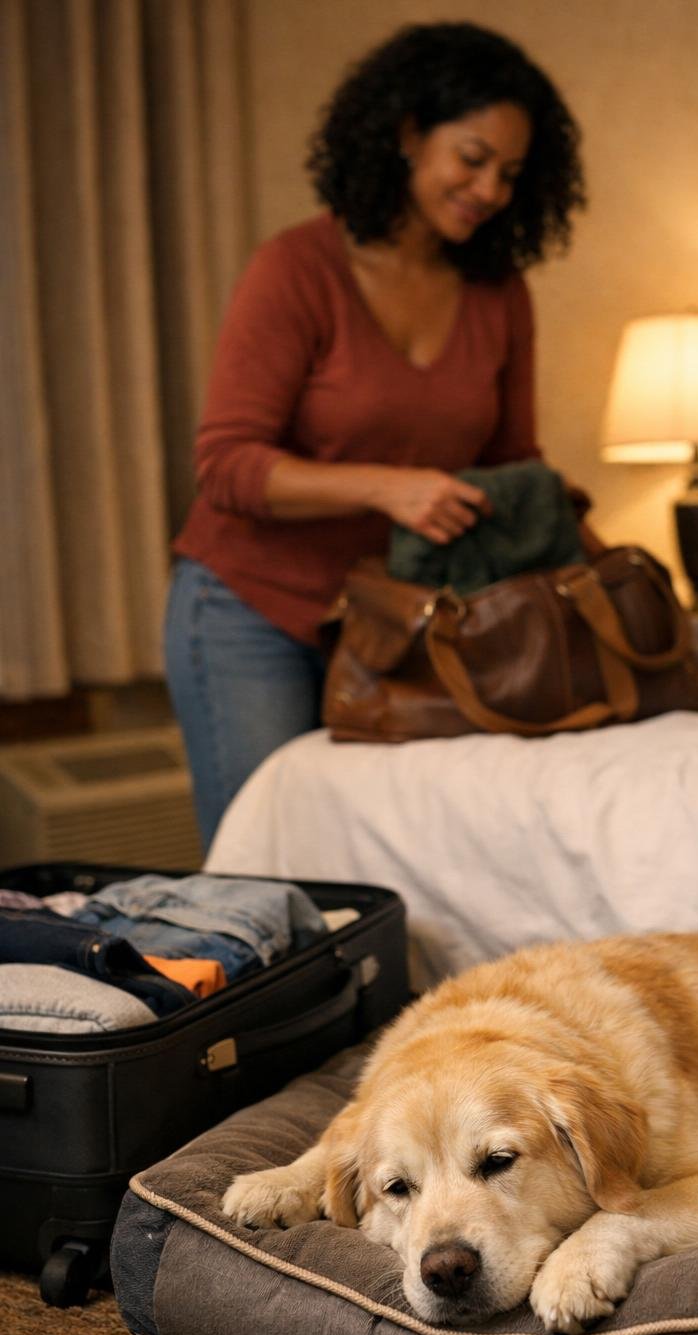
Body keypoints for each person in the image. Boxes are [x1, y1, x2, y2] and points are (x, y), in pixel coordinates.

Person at [164, 21, 589, 851]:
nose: (492, 190)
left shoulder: (500, 293)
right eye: (472, 158)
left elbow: (512, 466)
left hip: (396, 623)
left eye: (511, 173)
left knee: (394, 868)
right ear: (405, 134)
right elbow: (226, 465)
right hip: (253, 612)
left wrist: (587, 568)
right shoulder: (297, 270)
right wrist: (389, 486)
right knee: (272, 876)